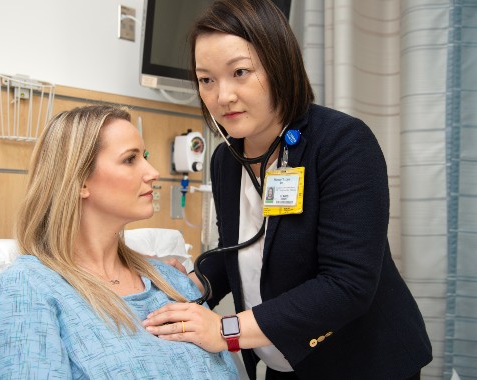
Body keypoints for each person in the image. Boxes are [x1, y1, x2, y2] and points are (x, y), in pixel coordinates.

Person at [141, 1, 433, 379]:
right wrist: (187, 283)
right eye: (206, 79)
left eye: (240, 72)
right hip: (286, 362)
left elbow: (347, 284)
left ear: (279, 65)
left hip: (362, 364)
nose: (222, 96)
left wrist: (225, 330)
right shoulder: (226, 160)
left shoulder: (341, 143)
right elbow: (244, 253)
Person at [0, 105, 238, 379]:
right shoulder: (23, 292)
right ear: (80, 180)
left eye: (143, 157)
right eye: (130, 159)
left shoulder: (171, 282)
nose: (152, 173)